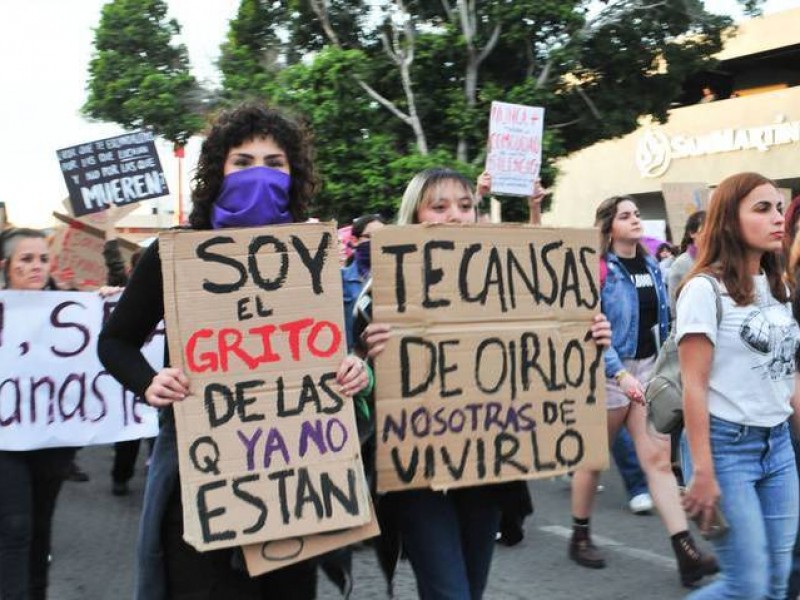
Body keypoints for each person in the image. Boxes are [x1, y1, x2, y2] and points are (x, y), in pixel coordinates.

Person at [98, 103, 370, 600]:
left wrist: (356, 372)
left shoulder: (314, 258)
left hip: (295, 485)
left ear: (295, 175)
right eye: (243, 162)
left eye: (275, 163)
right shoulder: (174, 255)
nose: (259, 175)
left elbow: (337, 353)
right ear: (218, 171)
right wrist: (148, 382)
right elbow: (115, 343)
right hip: (202, 481)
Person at [361, 167, 612, 599]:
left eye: (465, 206)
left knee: (470, 591)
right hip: (420, 478)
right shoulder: (380, 293)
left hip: (487, 471)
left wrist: (589, 339)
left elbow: (545, 354)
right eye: (439, 207)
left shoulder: (508, 286)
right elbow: (357, 392)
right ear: (414, 216)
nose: (456, 216)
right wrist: (367, 358)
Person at [568, 195, 718, 588]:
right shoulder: (600, 269)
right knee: (593, 458)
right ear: (608, 226)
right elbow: (594, 328)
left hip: (648, 370)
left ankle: (685, 551)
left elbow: (662, 322)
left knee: (655, 459)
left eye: (636, 214)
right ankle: (580, 534)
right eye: (626, 215)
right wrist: (620, 376)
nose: (635, 220)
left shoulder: (651, 264)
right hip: (609, 373)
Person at [677, 172, 800, 599]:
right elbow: (694, 384)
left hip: (779, 448)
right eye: (762, 209)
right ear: (729, 221)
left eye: (779, 208)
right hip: (726, 448)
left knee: (777, 584)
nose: (778, 218)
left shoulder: (779, 285)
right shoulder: (703, 289)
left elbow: (786, 372)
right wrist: (704, 470)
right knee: (746, 587)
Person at [0, 227, 77, 599]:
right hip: (6, 442)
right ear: (7, 266)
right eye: (26, 259)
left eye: (42, 259)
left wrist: (111, 300)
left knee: (40, 526)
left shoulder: (73, 311)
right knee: (15, 526)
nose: (36, 266)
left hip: (52, 440)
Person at [342, 213, 385, 351]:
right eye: (371, 237)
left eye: (383, 237)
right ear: (354, 240)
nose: (378, 242)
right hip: (352, 361)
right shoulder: (340, 279)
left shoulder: (394, 279)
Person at [668, 211, 707, 319]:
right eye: (706, 227)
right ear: (692, 233)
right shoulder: (681, 264)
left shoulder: (722, 260)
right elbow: (675, 308)